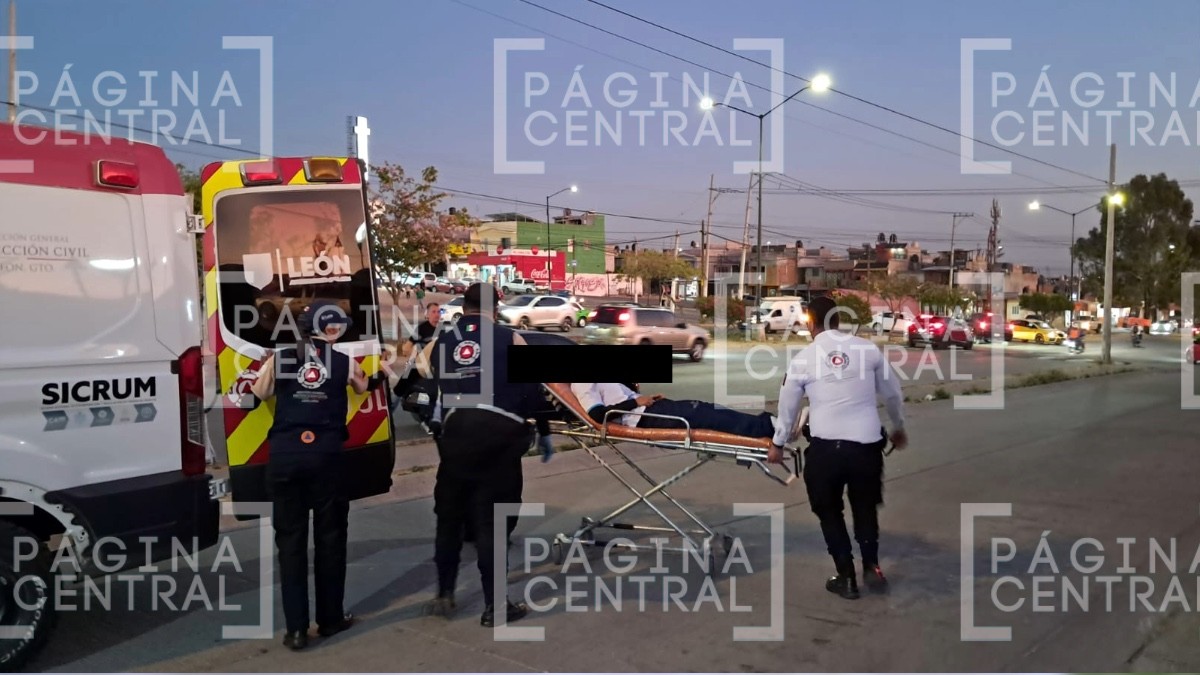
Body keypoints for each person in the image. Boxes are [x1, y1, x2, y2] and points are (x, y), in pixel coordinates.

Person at [417, 282, 550, 627]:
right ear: (497, 306)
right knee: (494, 524)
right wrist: (540, 427)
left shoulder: (439, 343)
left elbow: (425, 379)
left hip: (456, 441)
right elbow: (532, 389)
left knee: (448, 520)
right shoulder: (512, 339)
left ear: (465, 305)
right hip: (499, 439)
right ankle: (496, 607)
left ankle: (445, 593)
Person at [250, 300, 380, 650]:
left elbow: (258, 392)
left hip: (286, 457)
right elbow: (363, 388)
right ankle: (330, 620)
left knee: (290, 544)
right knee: (330, 538)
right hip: (326, 457)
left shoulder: (280, 358)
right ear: (333, 329)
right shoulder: (344, 362)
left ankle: (295, 631)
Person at [771, 295, 908, 600]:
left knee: (829, 511)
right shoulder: (867, 349)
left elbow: (788, 407)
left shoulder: (803, 358)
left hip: (825, 452)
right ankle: (872, 565)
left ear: (811, 322)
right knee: (865, 508)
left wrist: (778, 443)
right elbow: (894, 395)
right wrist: (898, 428)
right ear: (838, 320)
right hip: (866, 449)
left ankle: (846, 576)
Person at [570, 383, 777, 438]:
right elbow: (598, 416)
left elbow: (620, 397)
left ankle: (765, 424)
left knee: (705, 409)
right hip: (646, 419)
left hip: (651, 410)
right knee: (704, 414)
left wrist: (642, 397)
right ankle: (767, 427)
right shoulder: (582, 384)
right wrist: (636, 402)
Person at [391, 301, 442, 407]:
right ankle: (390, 410)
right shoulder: (422, 328)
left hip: (436, 367)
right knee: (401, 387)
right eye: (433, 312)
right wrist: (413, 352)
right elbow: (407, 348)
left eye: (439, 312)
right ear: (427, 314)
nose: (437, 314)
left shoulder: (443, 330)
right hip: (420, 364)